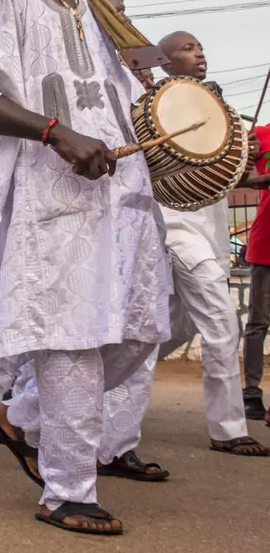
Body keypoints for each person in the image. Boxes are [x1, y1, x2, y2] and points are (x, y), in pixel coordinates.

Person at [0, 0, 171, 535]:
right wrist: (55, 134)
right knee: (72, 340)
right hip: (50, 203)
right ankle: (67, 489)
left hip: (119, 197)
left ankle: (24, 415)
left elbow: (126, 94)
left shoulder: (92, 4)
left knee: (143, 329)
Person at [95, 25, 269, 463]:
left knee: (172, 327)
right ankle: (228, 428)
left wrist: (249, 171)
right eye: (187, 49)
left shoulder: (215, 109)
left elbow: (220, 173)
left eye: (201, 47)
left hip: (206, 227)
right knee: (220, 319)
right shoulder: (153, 108)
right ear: (164, 61)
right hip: (173, 226)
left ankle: (90, 385)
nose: (199, 53)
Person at [245, 118, 270, 422]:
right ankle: (251, 393)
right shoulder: (260, 134)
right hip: (266, 241)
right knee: (257, 323)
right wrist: (246, 154)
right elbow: (241, 173)